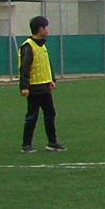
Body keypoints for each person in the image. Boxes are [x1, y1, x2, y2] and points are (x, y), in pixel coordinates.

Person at [16, 13, 65, 153]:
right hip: (34, 87)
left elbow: (46, 64)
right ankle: (26, 145)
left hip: (44, 86)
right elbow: (24, 67)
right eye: (46, 27)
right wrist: (24, 87)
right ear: (40, 29)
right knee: (32, 116)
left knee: (50, 114)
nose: (47, 30)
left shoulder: (42, 46)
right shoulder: (28, 46)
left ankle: (52, 142)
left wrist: (51, 80)